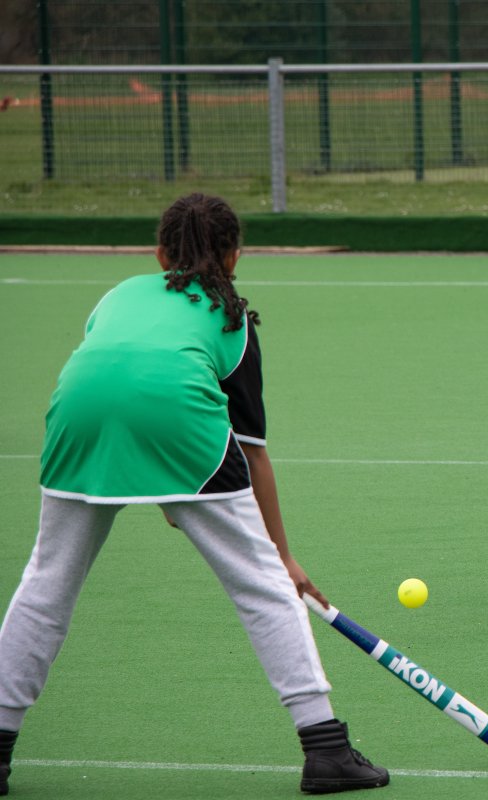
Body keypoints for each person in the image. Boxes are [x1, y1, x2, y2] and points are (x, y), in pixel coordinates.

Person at [0, 194, 388, 795]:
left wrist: (167, 493)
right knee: (261, 586)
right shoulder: (231, 319)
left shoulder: (118, 294)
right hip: (180, 430)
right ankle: (326, 749)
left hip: (75, 417)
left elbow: (122, 378)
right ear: (236, 257)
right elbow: (252, 450)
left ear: (159, 254)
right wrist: (281, 555)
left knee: (46, 584)